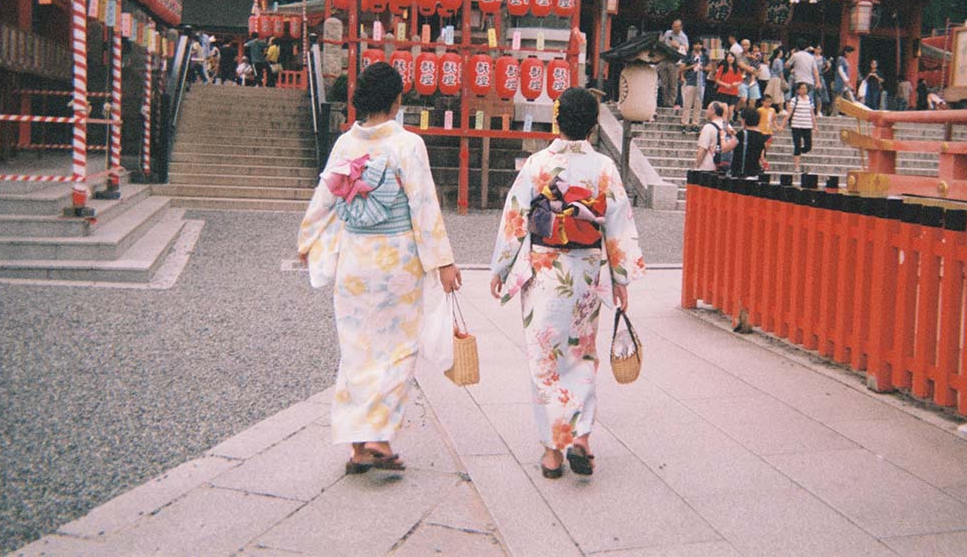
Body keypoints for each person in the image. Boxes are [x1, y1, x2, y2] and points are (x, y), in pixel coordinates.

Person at [297, 62, 462, 474]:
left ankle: (357, 446)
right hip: (397, 262)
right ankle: (378, 439)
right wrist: (443, 261)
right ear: (396, 100)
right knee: (397, 351)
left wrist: (307, 241)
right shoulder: (407, 145)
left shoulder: (344, 146)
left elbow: (325, 200)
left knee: (357, 352)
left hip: (356, 259)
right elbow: (424, 207)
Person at [489, 88, 644, 479]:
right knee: (581, 355)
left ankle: (551, 454)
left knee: (544, 359)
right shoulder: (604, 168)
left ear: (557, 121)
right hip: (586, 273)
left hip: (544, 270)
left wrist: (501, 268)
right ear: (594, 126)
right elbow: (618, 225)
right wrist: (621, 278)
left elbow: (515, 222)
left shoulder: (538, 165)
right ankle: (581, 438)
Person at [695, 101, 739, 173]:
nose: (706, 111)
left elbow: (703, 149)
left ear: (713, 111)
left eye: (708, 109)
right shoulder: (728, 127)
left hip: (708, 166)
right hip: (723, 167)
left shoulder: (708, 127)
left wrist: (697, 166)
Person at [786, 81, 817, 173]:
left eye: (805, 88)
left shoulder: (810, 100)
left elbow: (812, 114)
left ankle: (798, 152)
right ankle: (797, 166)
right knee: (797, 145)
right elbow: (790, 113)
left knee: (808, 146)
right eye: (802, 88)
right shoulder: (794, 100)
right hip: (796, 124)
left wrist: (815, 125)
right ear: (798, 90)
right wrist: (783, 124)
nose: (804, 90)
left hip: (807, 125)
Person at [730, 107, 769, 178]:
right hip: (754, 173)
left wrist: (722, 136)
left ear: (745, 120)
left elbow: (725, 148)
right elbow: (763, 158)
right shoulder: (762, 136)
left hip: (740, 173)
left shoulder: (740, 134)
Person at [658, 19, 688, 108]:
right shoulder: (668, 33)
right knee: (664, 83)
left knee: (673, 83)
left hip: (674, 62)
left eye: (676, 27)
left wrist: (678, 46)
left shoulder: (683, 37)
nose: (674, 28)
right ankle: (664, 102)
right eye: (673, 26)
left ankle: (671, 103)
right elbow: (662, 42)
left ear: (681, 27)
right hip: (664, 60)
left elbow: (686, 49)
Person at [679, 41, 706, 132]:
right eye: (696, 44)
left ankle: (695, 123)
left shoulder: (705, 56)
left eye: (699, 44)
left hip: (701, 82)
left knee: (698, 105)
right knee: (687, 103)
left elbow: (710, 68)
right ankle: (685, 122)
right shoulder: (688, 55)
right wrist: (692, 66)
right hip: (690, 81)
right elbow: (682, 68)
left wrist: (703, 68)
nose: (698, 46)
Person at [833, 48, 854, 113]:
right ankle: (835, 113)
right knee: (838, 98)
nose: (850, 55)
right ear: (846, 52)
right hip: (841, 82)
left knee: (850, 98)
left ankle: (852, 112)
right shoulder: (841, 59)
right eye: (850, 53)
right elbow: (840, 70)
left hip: (845, 84)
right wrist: (846, 80)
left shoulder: (844, 60)